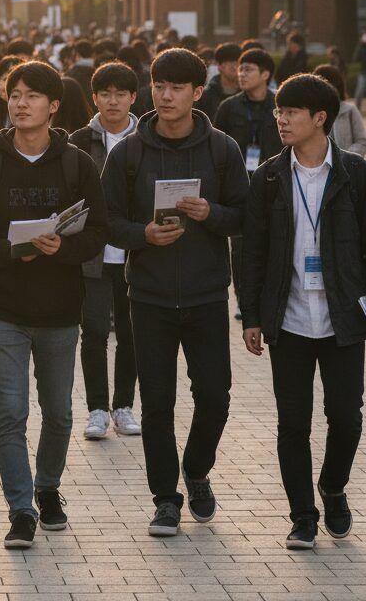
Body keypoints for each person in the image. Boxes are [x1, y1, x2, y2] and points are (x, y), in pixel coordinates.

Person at [0, 61, 108, 549]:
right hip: (2, 307)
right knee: (11, 414)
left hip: (61, 308)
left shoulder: (76, 163)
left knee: (59, 413)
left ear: (54, 104)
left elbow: (100, 230)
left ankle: (48, 487)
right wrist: (9, 251)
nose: (20, 103)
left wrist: (66, 249)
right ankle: (21, 509)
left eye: (32, 96)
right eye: (14, 94)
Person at [101, 48, 248, 538]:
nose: (164, 95)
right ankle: (165, 499)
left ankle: (197, 468)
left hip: (207, 296)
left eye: (176, 88)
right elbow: (107, 220)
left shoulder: (221, 149)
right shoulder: (129, 152)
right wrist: (142, 234)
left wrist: (213, 215)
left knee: (215, 396)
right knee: (157, 404)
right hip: (149, 296)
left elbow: (244, 216)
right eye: (159, 85)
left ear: (197, 93)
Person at [240, 73, 366, 550]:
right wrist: (253, 314)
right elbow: (252, 250)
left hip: (344, 315)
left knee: (347, 417)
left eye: (291, 112)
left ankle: (334, 486)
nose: (281, 119)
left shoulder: (358, 175)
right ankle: (302, 515)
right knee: (293, 421)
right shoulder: (270, 177)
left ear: (320, 119)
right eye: (278, 111)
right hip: (289, 317)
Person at [68, 62, 141, 441]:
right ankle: (97, 408)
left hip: (135, 252)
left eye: (121, 94)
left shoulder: (148, 138)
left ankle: (124, 405)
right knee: (94, 330)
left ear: (133, 97)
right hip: (92, 254)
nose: (113, 102)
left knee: (131, 333)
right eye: (105, 94)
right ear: (94, 98)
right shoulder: (80, 140)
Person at [215, 47, 283, 316]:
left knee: (274, 240)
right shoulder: (229, 107)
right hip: (239, 186)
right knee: (241, 245)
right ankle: (244, 299)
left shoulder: (279, 106)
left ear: (265, 74)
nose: (241, 74)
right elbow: (217, 145)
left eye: (248, 69)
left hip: (275, 184)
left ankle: (271, 295)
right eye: (240, 68)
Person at [314, 65, 366, 157]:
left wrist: (345, 158)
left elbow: (362, 142)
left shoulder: (350, 111)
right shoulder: (310, 111)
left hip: (345, 168)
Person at [197, 43, 241, 121]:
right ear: (219, 66)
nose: (235, 67)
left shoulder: (247, 93)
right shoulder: (206, 95)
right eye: (231, 63)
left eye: (238, 62)